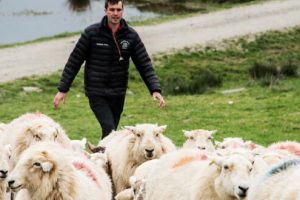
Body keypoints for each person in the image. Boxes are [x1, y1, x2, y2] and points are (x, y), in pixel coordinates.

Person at [53, 0, 165, 139]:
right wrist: (63, 89)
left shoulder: (130, 36)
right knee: (109, 128)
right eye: (112, 10)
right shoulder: (91, 33)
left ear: (122, 11)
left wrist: (155, 89)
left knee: (110, 133)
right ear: (105, 10)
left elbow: (144, 64)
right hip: (96, 91)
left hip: (118, 92)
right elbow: (74, 62)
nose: (115, 13)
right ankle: (103, 157)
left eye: (118, 10)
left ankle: (101, 157)